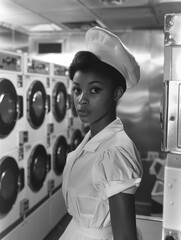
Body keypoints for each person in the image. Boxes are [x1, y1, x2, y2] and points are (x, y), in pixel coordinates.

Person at [59, 27, 143, 240]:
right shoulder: (91, 140)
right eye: (78, 90)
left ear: (117, 93)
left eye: (94, 90)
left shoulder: (115, 152)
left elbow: (125, 237)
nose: (82, 100)